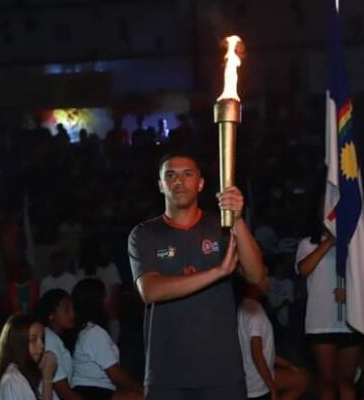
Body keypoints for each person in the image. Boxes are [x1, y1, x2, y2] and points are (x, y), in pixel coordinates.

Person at [128, 152, 265, 399]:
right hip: (167, 374)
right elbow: (150, 291)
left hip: (221, 372)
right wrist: (217, 272)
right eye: (170, 175)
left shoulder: (221, 227)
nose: (179, 181)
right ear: (160, 185)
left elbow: (256, 276)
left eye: (187, 174)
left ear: (200, 184)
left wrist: (237, 219)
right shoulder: (144, 234)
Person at [296, 217, 360, 400]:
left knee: (348, 381)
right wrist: (329, 242)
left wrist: (350, 295)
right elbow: (303, 270)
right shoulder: (308, 244)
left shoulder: (354, 245)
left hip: (350, 321)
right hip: (321, 322)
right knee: (327, 381)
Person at [69, 278, 143, 400]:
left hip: (98, 389)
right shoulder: (94, 332)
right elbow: (115, 374)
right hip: (93, 391)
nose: (109, 301)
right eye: (105, 297)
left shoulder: (88, 330)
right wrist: (141, 388)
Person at [236, 278, 309, 400]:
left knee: (301, 380)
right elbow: (257, 353)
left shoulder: (246, 306)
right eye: (264, 276)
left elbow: (261, 351)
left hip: (254, 375)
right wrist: (271, 387)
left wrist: (287, 364)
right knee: (302, 381)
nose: (268, 281)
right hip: (257, 379)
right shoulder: (254, 312)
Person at [0, 314, 57, 400]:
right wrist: (47, 378)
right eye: (33, 340)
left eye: (42, 339)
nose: (41, 345)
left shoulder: (34, 373)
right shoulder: (12, 381)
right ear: (19, 343)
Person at [39, 290, 82, 400]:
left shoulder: (54, 338)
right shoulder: (50, 340)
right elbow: (62, 390)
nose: (72, 314)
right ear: (51, 315)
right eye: (66, 310)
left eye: (73, 308)